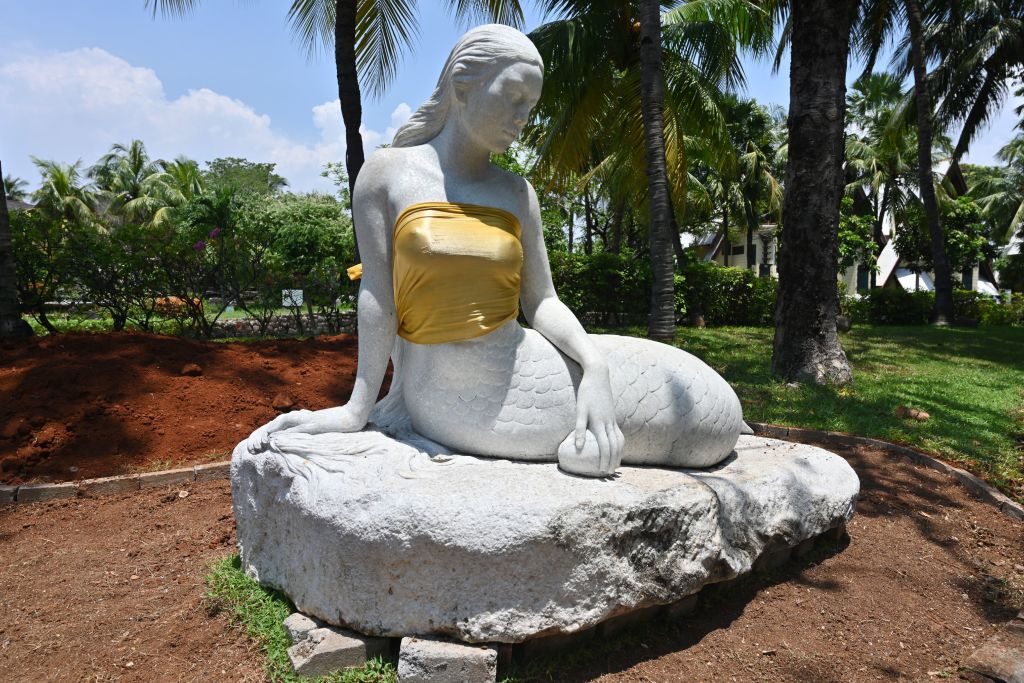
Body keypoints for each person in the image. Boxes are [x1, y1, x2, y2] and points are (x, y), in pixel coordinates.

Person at [247, 24, 747, 477]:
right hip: (455, 396)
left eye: (529, 109)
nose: (521, 118)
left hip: (526, 363)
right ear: (462, 86)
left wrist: (593, 365)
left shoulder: (516, 192)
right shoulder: (386, 173)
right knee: (705, 426)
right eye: (512, 98)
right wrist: (359, 407)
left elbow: (543, 302)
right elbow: (379, 292)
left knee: (703, 407)